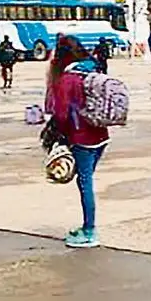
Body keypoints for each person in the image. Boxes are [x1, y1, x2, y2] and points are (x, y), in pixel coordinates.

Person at [47, 35, 107, 248]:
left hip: (81, 138)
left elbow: (61, 114)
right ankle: (87, 227)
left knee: (85, 184)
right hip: (101, 135)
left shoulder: (67, 79)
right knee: (86, 180)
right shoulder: (92, 70)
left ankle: (89, 231)